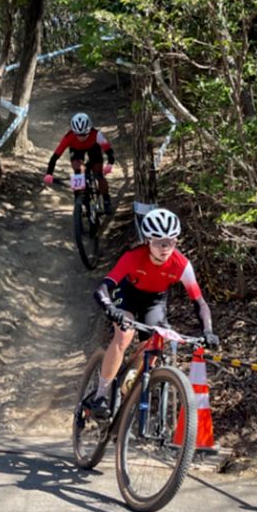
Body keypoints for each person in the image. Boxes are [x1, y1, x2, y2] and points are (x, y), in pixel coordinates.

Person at [90, 207, 219, 419]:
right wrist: (111, 309)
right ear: (148, 241)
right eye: (159, 242)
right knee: (124, 335)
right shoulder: (133, 257)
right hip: (128, 293)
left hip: (155, 300)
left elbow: (200, 302)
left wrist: (208, 330)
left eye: (171, 241)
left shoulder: (181, 264)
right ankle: (101, 395)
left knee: (154, 344)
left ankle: (129, 386)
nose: (165, 247)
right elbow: (102, 289)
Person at [43, 113, 115, 214]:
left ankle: (106, 199)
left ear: (89, 130)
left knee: (98, 173)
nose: (81, 137)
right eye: (78, 134)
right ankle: (78, 198)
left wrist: (110, 164)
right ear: (73, 132)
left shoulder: (96, 134)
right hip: (77, 150)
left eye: (85, 134)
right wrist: (49, 173)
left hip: (93, 148)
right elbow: (55, 157)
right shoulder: (68, 137)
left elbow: (109, 151)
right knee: (78, 171)